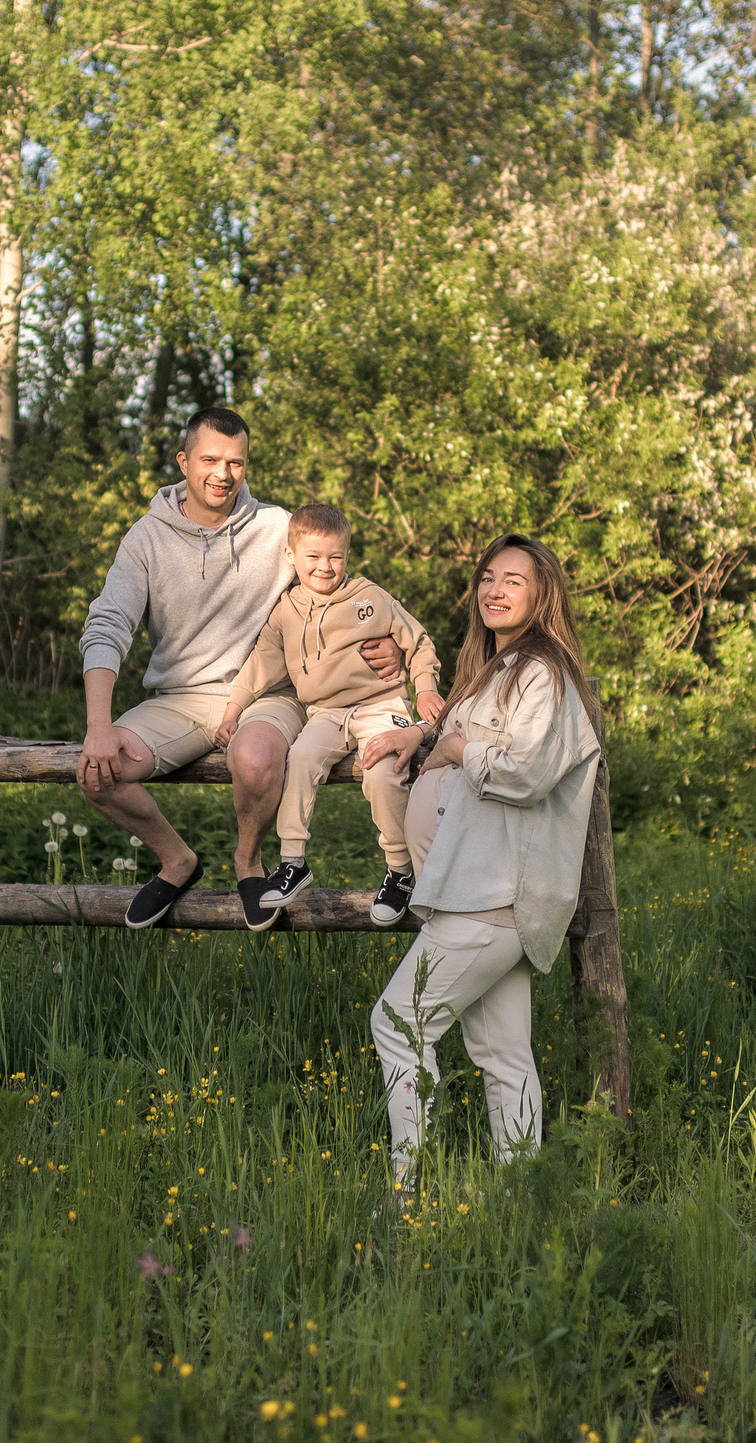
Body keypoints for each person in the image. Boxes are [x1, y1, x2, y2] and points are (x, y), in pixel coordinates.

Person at [75, 406, 401, 930]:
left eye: (236, 462)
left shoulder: (275, 528)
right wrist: (98, 726)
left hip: (267, 694)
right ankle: (177, 861)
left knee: (255, 759)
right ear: (184, 462)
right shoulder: (146, 538)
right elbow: (107, 625)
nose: (223, 474)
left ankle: (248, 861)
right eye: (210, 460)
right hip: (179, 698)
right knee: (98, 773)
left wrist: (389, 644)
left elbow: (334, 585)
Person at [357, 534, 601, 1196]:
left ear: (542, 593)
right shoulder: (497, 668)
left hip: (493, 893)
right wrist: (424, 735)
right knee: (502, 1054)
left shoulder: (542, 673)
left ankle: (406, 1192)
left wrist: (456, 750)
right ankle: (521, 1198)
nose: (495, 589)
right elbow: (457, 736)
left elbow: (525, 771)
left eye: (513, 580)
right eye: (488, 577)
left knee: (397, 1023)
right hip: (475, 891)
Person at [216, 503, 446, 926]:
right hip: (325, 712)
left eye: (335, 557)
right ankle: (292, 861)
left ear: (347, 555)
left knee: (383, 769)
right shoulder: (286, 610)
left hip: (380, 705)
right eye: (313, 557)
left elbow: (417, 641)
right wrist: (233, 711)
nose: (325, 567)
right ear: (291, 556)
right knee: (300, 758)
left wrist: (426, 685)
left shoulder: (370, 597)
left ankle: (400, 871)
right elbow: (260, 663)